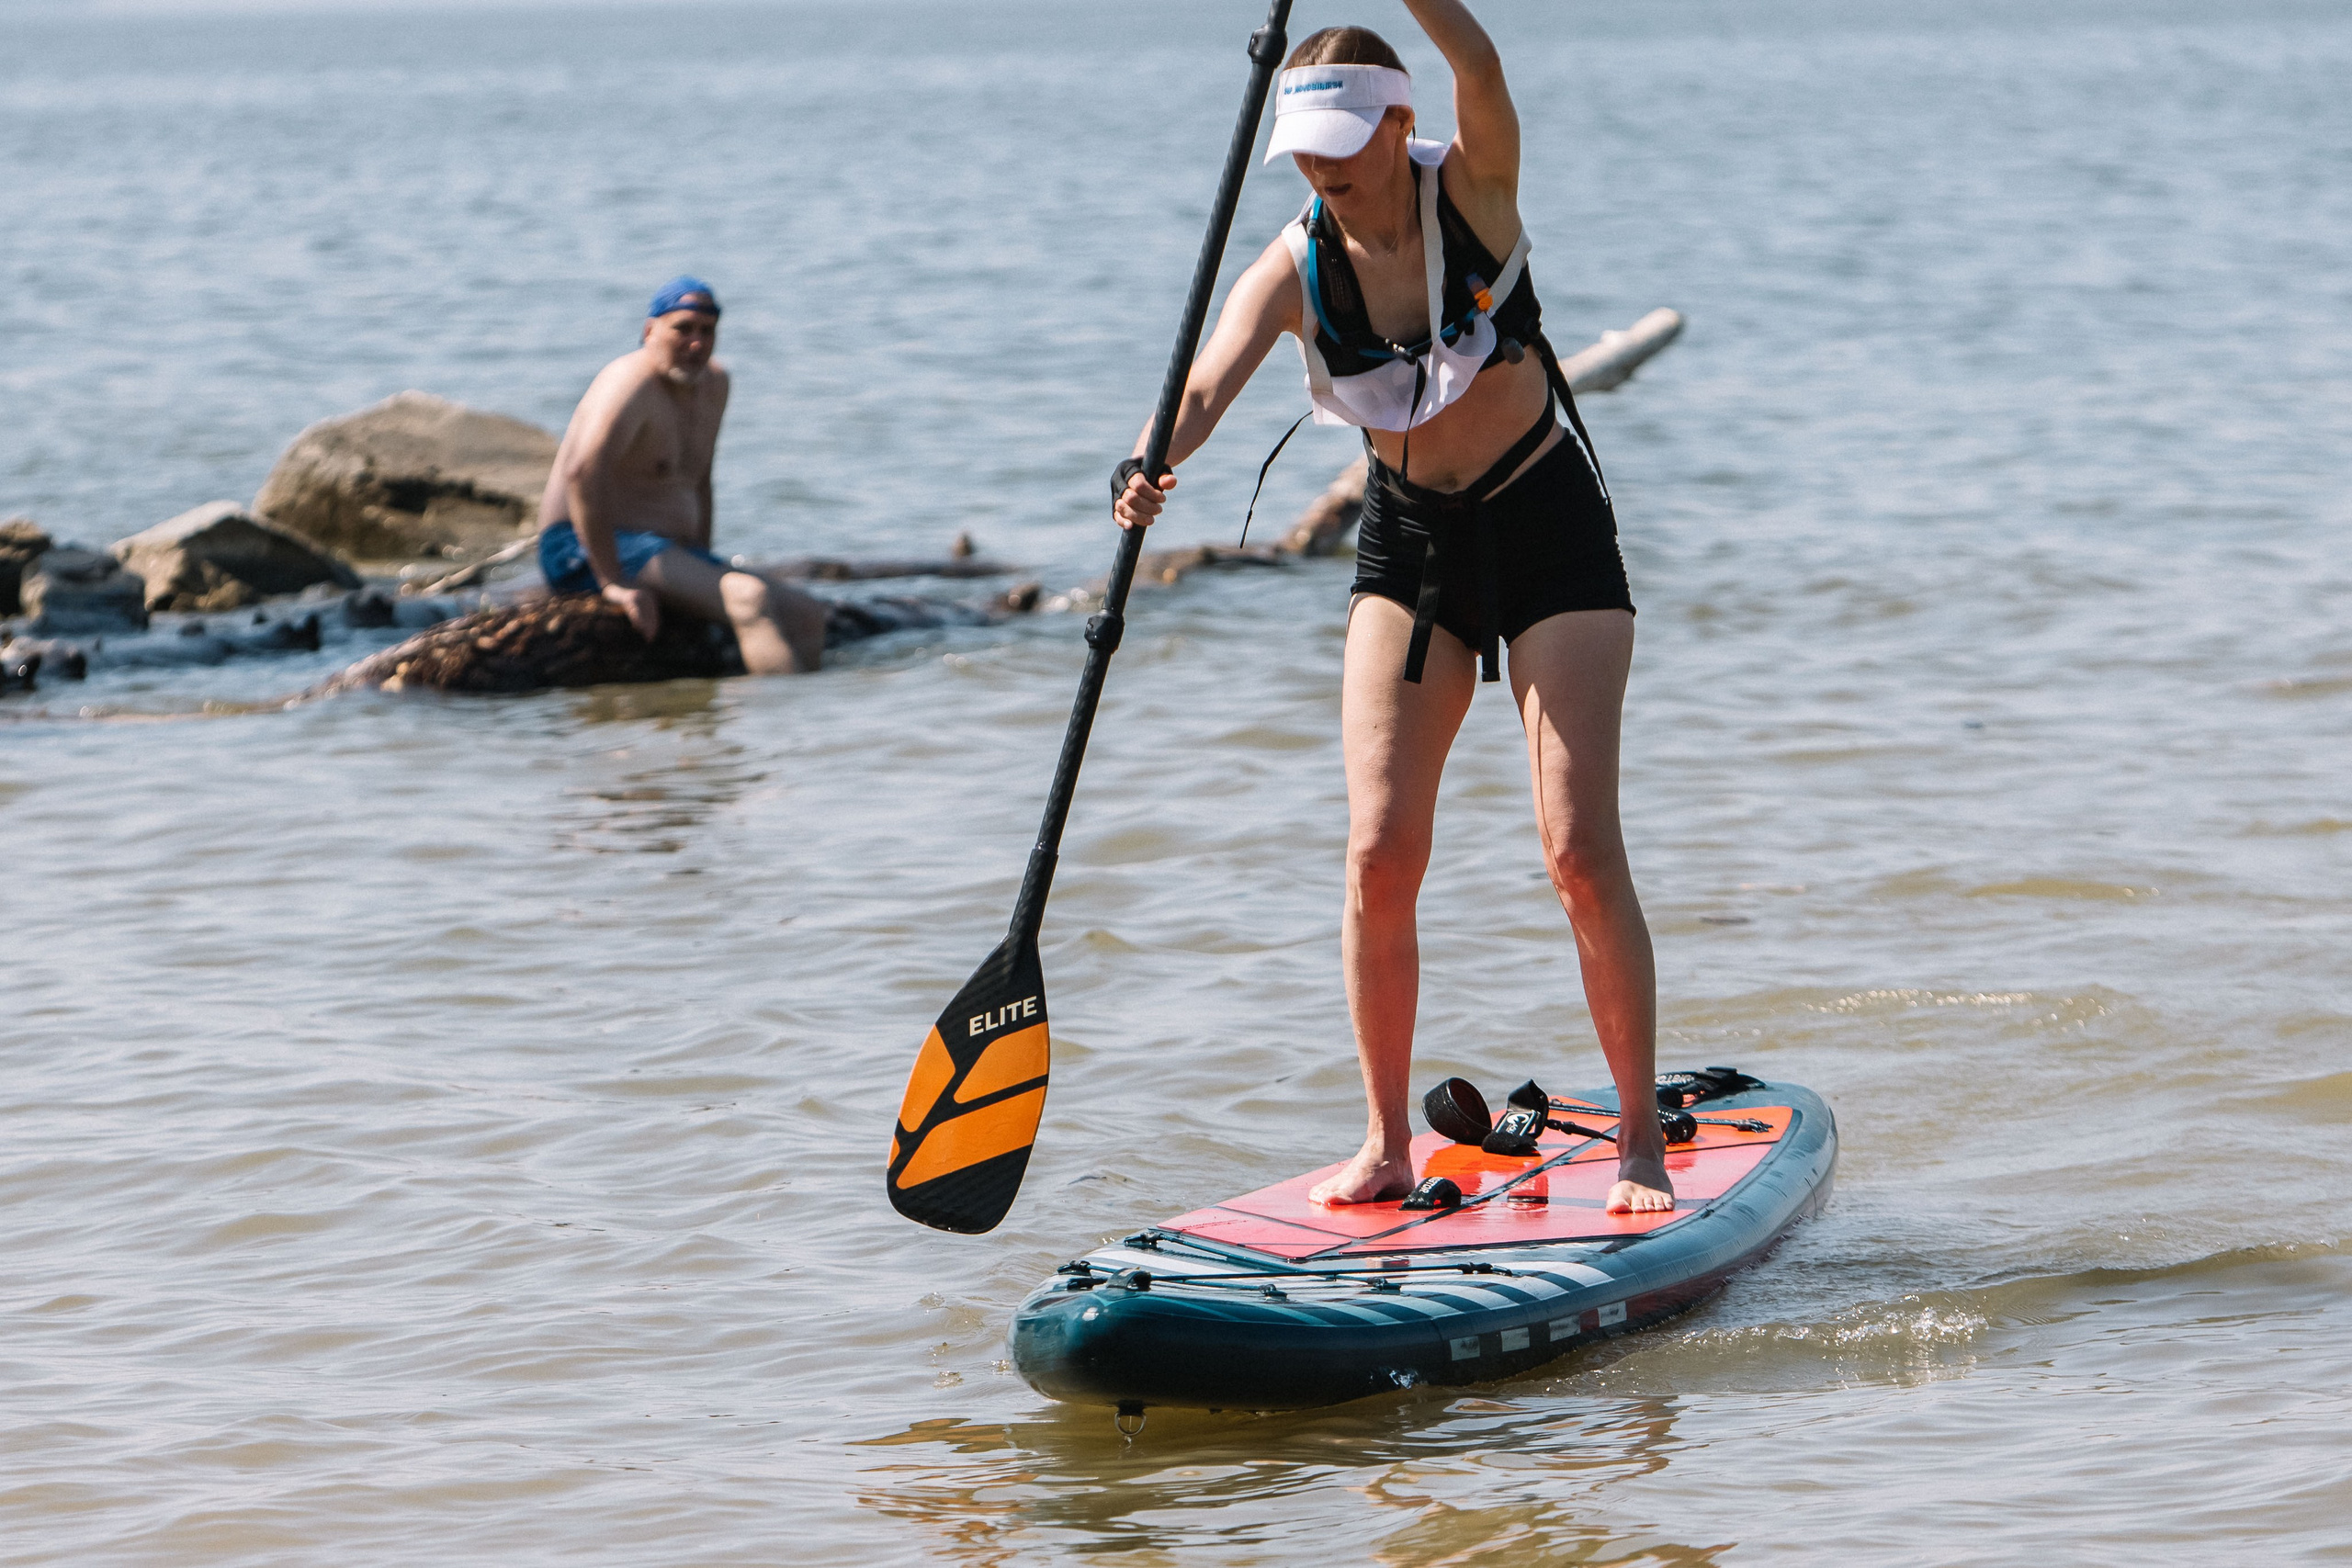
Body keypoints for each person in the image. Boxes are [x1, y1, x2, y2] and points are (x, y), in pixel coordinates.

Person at [1112, 4, 1672, 1213]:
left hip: (1547, 527)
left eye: (1342, 150)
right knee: (1376, 852)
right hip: (1411, 544)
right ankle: (1382, 1141)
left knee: (1578, 852)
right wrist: (1149, 460)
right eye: (1304, 156)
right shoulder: (1293, 264)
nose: (1322, 174)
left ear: (1397, 125)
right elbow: (1201, 389)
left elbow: (1481, 60)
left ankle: (1639, 1140)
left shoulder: (1473, 191)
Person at [537, 276, 829, 673]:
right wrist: (612, 582)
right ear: (649, 331)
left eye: (707, 331)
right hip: (580, 547)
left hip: (661, 548)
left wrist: (700, 566)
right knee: (749, 598)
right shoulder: (630, 381)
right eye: (683, 329)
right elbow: (583, 472)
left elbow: (700, 481)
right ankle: (771, 713)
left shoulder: (715, 384)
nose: (696, 344)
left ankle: (808, 708)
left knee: (807, 612)